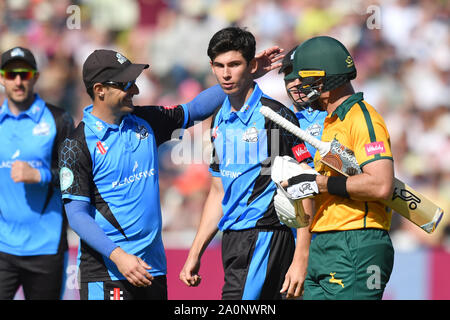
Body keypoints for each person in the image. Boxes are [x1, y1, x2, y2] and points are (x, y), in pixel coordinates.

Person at [59, 47, 283, 300]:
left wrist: (246, 77)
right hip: (107, 272)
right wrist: (118, 256)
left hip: (153, 270)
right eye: (126, 84)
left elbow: (194, 110)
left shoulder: (145, 120)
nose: (135, 90)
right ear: (100, 90)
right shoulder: (76, 145)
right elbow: (77, 215)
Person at [179, 27, 314, 300]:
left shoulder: (273, 117)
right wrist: (195, 253)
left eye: (234, 65)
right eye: (219, 66)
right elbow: (218, 191)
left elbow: (305, 186)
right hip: (232, 240)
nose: (226, 74)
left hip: (265, 235)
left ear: (252, 66)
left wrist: (302, 257)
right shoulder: (219, 118)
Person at [281, 36, 395, 300]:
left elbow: (380, 184)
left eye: (307, 78)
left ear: (328, 78)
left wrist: (319, 183)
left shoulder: (362, 117)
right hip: (324, 240)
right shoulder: (332, 121)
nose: (300, 86)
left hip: (356, 241)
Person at [0, 47, 74, 299]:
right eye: (11, 75)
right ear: (2, 78)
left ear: (35, 77)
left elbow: (75, 177)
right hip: (2, 247)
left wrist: (40, 175)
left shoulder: (59, 119)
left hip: (46, 247)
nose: (18, 81)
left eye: (24, 74)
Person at [279, 45, 327, 164]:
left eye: (303, 76)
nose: (296, 83)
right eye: (290, 76)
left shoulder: (332, 114)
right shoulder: (279, 120)